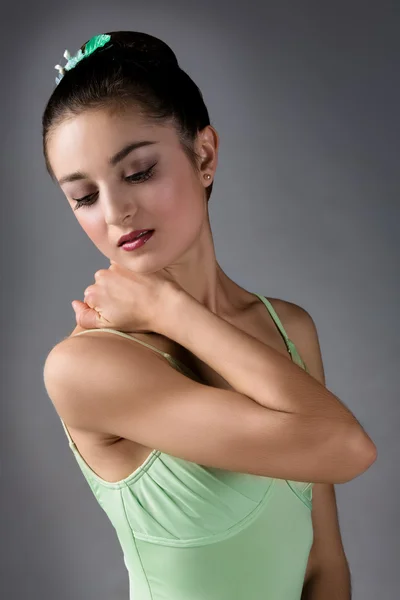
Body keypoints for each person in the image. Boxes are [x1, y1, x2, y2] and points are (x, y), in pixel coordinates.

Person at [42, 31, 376, 600]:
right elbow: (347, 448)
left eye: (138, 171)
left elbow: (324, 565)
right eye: (85, 197)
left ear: (204, 155)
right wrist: (169, 308)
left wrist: (173, 310)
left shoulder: (288, 330)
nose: (117, 211)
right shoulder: (86, 368)